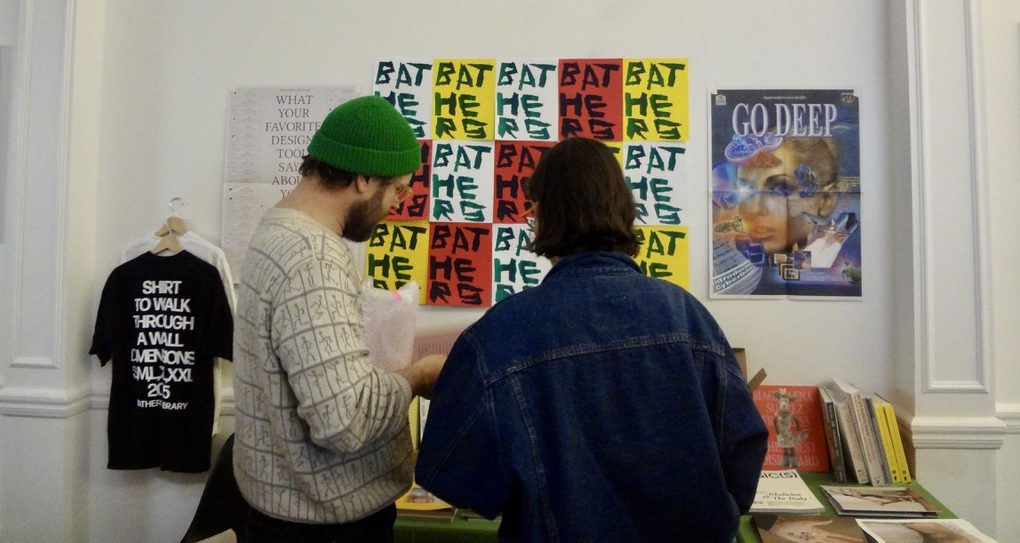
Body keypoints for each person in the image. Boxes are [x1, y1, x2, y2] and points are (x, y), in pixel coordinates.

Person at [415, 136, 768, 542]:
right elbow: (743, 450)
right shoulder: (688, 317)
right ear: (624, 209)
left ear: (542, 215)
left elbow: (455, 478)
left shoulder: (499, 335)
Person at [232, 95, 445, 542]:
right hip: (323, 527)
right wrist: (417, 377)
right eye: (399, 189)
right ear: (363, 179)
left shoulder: (277, 226)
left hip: (285, 514)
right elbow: (343, 423)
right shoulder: (313, 257)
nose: (400, 203)